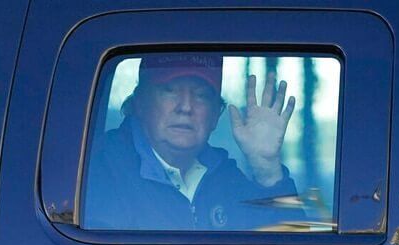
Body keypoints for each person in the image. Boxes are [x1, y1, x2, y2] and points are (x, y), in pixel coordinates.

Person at [82, 53, 301, 230]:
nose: (185, 106)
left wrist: (267, 167)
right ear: (140, 102)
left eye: (201, 95)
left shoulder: (225, 178)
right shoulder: (98, 169)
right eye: (170, 91)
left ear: (216, 114)